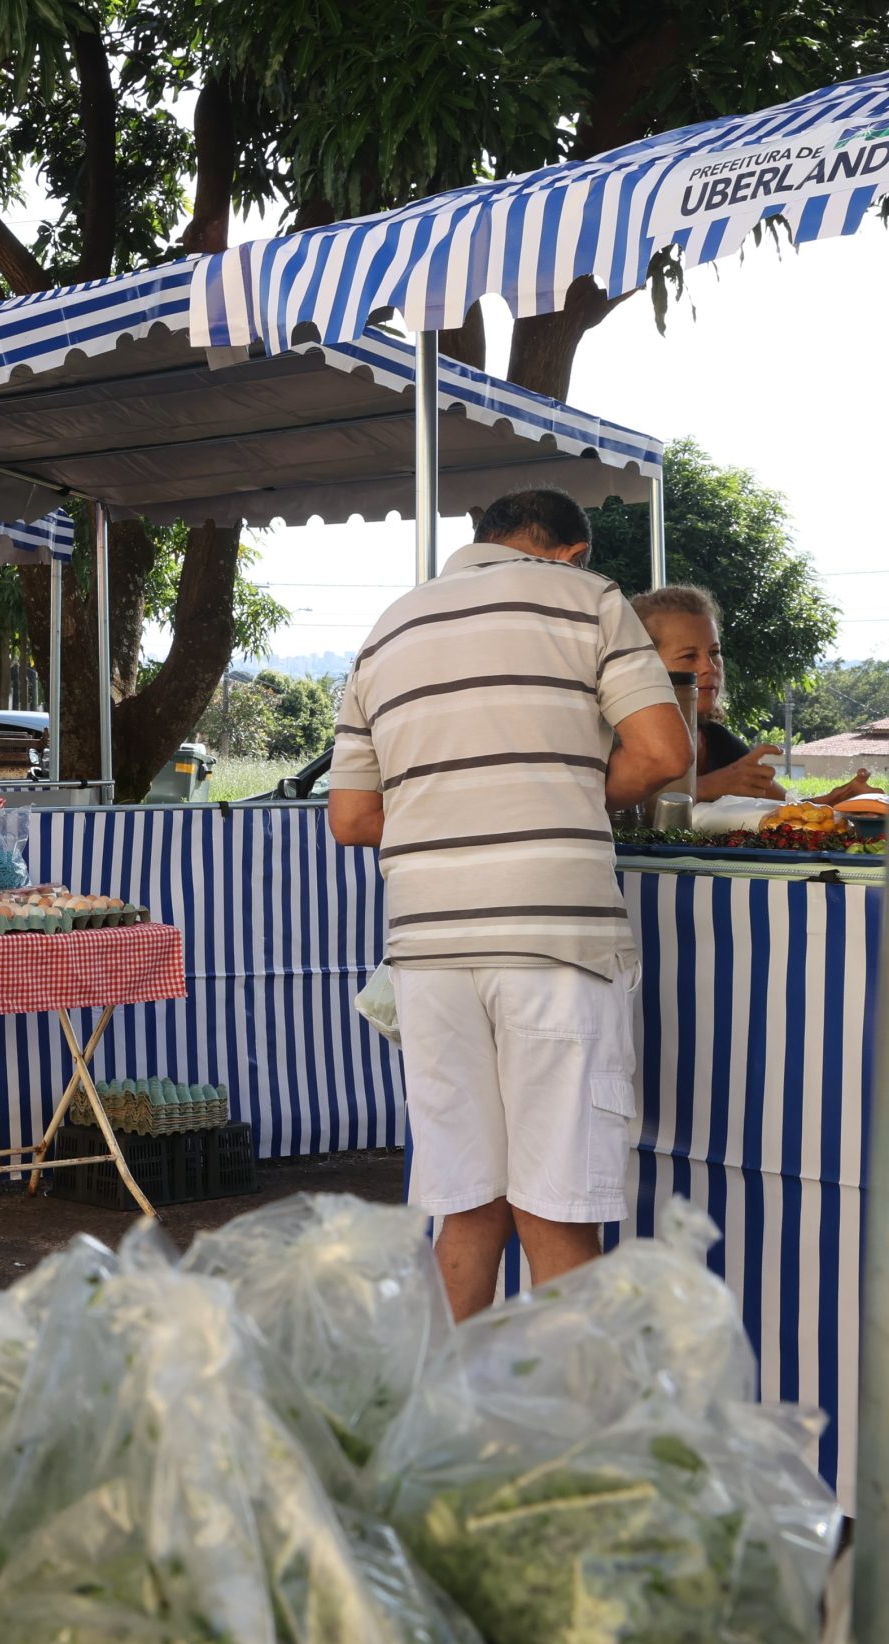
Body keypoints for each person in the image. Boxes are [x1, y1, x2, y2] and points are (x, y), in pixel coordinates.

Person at [328, 487, 691, 1322]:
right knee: (556, 1200)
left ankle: (453, 1421)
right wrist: (563, 800)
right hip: (553, 941)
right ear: (569, 553)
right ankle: (564, 1433)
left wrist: (454, 817)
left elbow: (350, 818)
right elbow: (665, 750)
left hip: (425, 953)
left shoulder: (391, 626)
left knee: (466, 1198)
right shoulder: (587, 599)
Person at [632, 584, 880, 805]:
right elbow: (610, 809)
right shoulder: (615, 740)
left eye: (714, 652)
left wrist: (835, 800)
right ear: (641, 665)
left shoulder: (720, 742)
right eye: (689, 656)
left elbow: (793, 812)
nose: (710, 667)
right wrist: (708, 786)